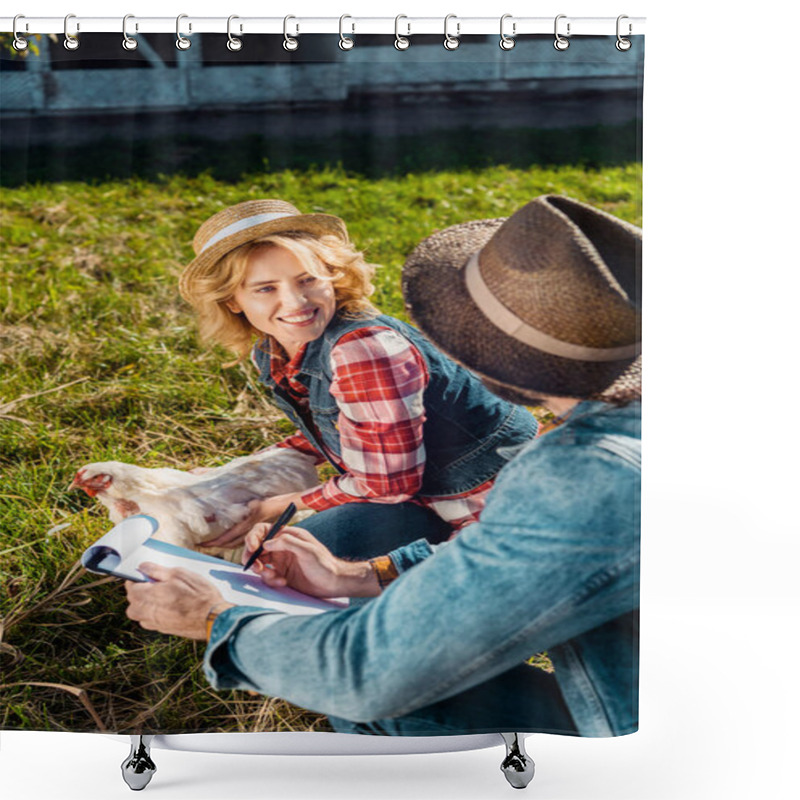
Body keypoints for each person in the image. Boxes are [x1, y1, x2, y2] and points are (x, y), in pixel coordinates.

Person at [126, 195, 641, 737]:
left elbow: (365, 673)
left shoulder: (577, 481)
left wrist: (217, 619)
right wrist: (360, 574)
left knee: (367, 699)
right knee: (315, 555)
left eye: (465, 327)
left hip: (625, 737)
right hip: (627, 681)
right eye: (265, 289)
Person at [178, 199, 537, 560]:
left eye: (308, 279)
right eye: (265, 288)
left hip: (489, 506)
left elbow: (386, 485)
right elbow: (337, 426)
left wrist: (270, 507)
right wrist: (235, 474)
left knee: (286, 566)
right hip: (418, 501)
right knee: (280, 559)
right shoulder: (274, 348)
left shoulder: (362, 350)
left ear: (332, 275)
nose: (295, 302)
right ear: (231, 301)